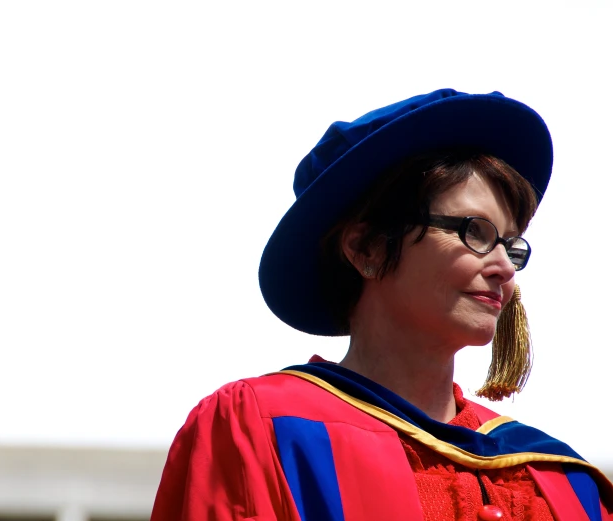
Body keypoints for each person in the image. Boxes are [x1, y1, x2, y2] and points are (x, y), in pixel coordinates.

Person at [150, 89, 613, 520]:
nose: (504, 268)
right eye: (475, 231)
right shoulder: (268, 430)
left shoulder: (558, 482)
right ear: (367, 249)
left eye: (511, 245)